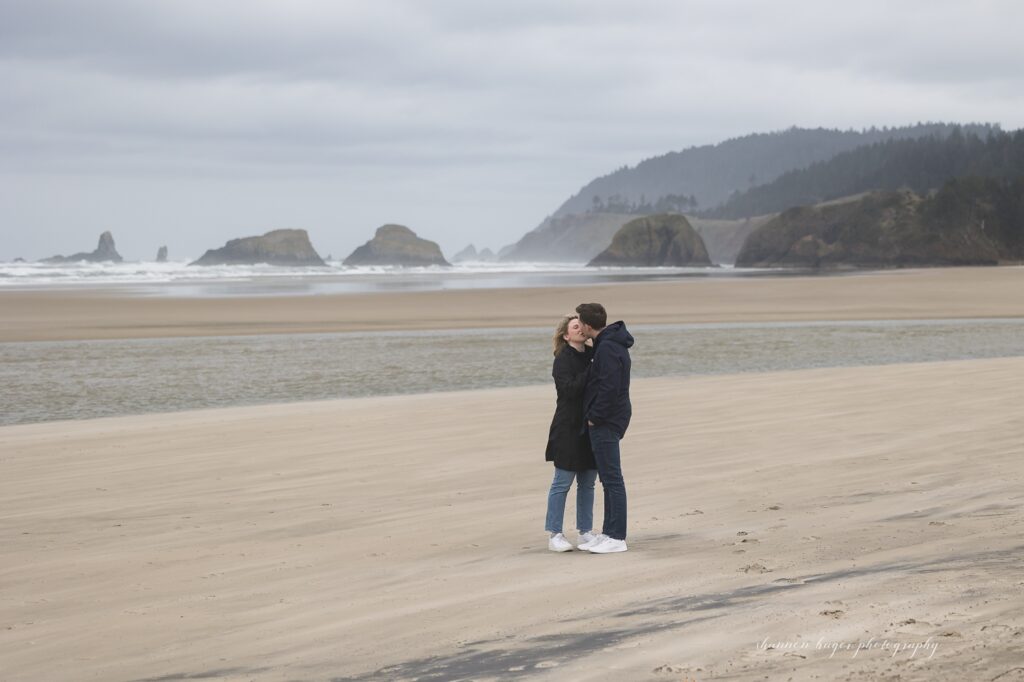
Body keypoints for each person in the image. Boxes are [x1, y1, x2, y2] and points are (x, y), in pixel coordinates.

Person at [575, 302, 633, 554]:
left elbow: (610, 387)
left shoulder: (608, 347)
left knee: (612, 479)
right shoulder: (608, 344)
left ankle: (617, 537)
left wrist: (594, 417)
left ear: (588, 326)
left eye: (581, 323)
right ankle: (609, 532)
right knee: (609, 479)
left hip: (607, 419)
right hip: (611, 417)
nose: (580, 328)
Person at [544, 314, 600, 552]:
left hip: (590, 427)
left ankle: (585, 532)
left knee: (588, 482)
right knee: (562, 482)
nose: (580, 329)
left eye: (581, 326)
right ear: (566, 335)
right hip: (567, 428)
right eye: (575, 327)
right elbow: (570, 390)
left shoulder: (592, 355)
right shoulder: (562, 359)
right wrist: (592, 370)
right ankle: (555, 534)